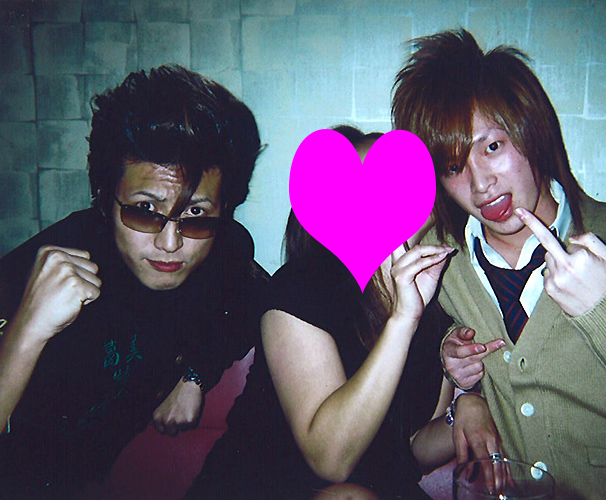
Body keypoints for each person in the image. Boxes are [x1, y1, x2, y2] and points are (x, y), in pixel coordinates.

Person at [392, 29, 606, 499]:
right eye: (453, 166)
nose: (480, 183)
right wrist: (465, 388)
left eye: (492, 147)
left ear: (532, 132)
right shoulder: (443, 266)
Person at [186, 126, 500, 500]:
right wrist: (402, 321)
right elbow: (331, 460)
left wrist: (464, 409)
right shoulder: (298, 290)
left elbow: (412, 450)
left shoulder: (435, 305)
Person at [0, 65, 268, 499]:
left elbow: (252, 299)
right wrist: (27, 330)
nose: (170, 243)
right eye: (145, 210)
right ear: (105, 199)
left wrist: (195, 378)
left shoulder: (223, 247)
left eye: (195, 214)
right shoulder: (46, 265)